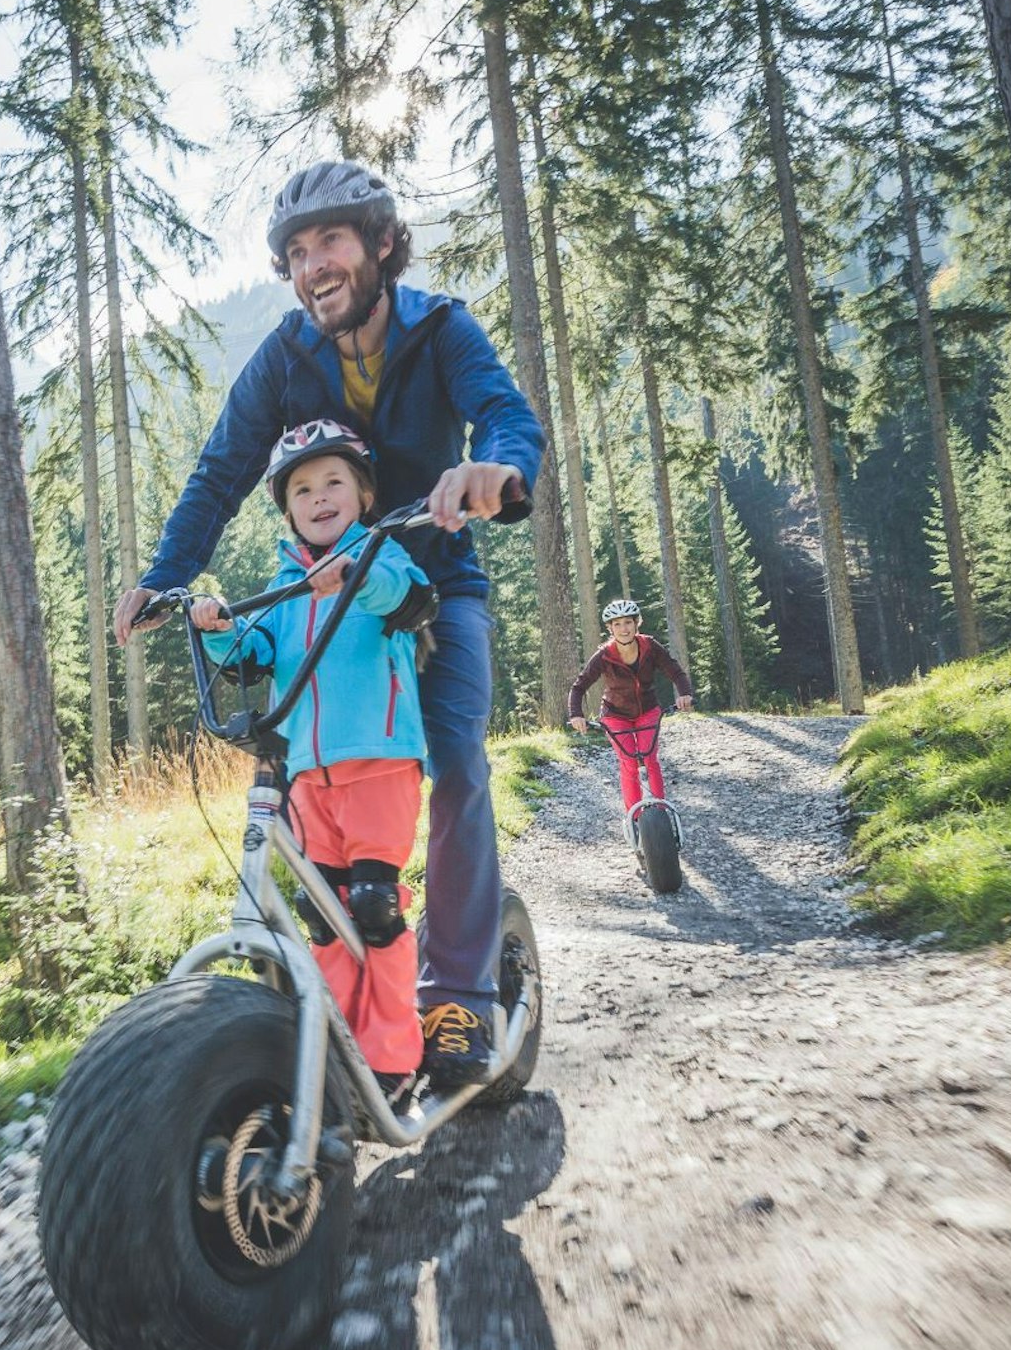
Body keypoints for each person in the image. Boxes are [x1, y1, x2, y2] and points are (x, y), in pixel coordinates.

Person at [114, 160, 544, 1091]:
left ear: (382, 244)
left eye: (332, 241)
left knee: (457, 767)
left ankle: (456, 994)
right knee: (293, 779)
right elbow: (222, 471)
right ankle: (321, 1002)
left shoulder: (440, 328)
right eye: (297, 252)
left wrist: (496, 470)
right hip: (325, 613)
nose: (314, 266)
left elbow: (503, 414)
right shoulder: (285, 358)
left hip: (434, 590)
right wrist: (164, 578)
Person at [194, 421, 432, 1107]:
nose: (319, 497)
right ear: (288, 509)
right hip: (308, 777)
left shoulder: (382, 555)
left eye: (334, 482)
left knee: (374, 907)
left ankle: (392, 1056)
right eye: (302, 489)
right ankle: (339, 1050)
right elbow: (253, 654)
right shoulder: (283, 584)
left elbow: (406, 595)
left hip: (380, 763)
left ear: (363, 495)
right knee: (323, 912)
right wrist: (218, 630)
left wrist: (355, 575)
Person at [568, 599, 695, 811]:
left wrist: (685, 694)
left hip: (647, 710)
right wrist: (576, 714)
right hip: (614, 715)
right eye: (617, 624)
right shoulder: (604, 655)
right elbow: (579, 687)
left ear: (637, 623)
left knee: (649, 758)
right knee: (628, 763)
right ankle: (634, 818)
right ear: (610, 628)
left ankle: (661, 813)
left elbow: (676, 672)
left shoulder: (650, 647)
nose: (623, 629)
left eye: (628, 622)